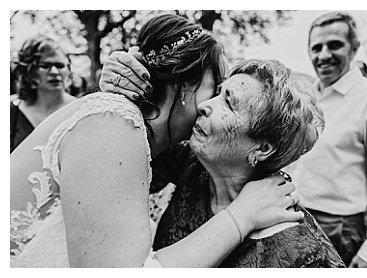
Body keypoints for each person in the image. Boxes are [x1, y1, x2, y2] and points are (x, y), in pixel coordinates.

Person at [10, 14, 301, 267]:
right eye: (215, 89)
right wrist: (243, 215)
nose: (211, 105)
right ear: (187, 84)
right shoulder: (115, 126)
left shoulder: (145, 136)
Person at [131, 59, 343, 267]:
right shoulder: (193, 161)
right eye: (218, 94)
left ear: (262, 149)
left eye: (229, 103)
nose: (204, 105)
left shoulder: (301, 253)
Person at [288, 12, 367, 268]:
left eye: (334, 45)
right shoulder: (304, 98)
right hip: (293, 219)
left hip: (340, 230)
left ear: (354, 47)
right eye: (316, 48)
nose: (324, 55)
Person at [11, 35, 78, 152]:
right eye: (45, 66)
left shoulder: (80, 109)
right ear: (29, 71)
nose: (54, 72)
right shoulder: (11, 111)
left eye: (60, 65)